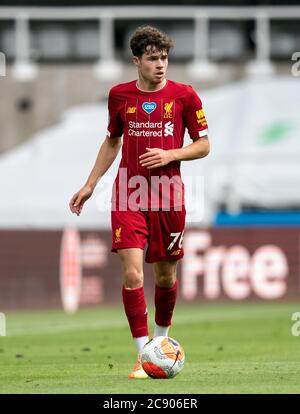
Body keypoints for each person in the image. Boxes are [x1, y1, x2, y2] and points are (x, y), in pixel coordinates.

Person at [69, 25, 210, 379]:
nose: (160, 64)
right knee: (132, 274)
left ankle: (160, 344)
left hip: (168, 198)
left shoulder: (185, 96)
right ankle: (142, 355)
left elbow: (204, 145)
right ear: (137, 61)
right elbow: (112, 141)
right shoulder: (119, 96)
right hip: (128, 194)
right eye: (152, 59)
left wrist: (170, 154)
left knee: (164, 277)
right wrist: (90, 184)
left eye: (164, 58)